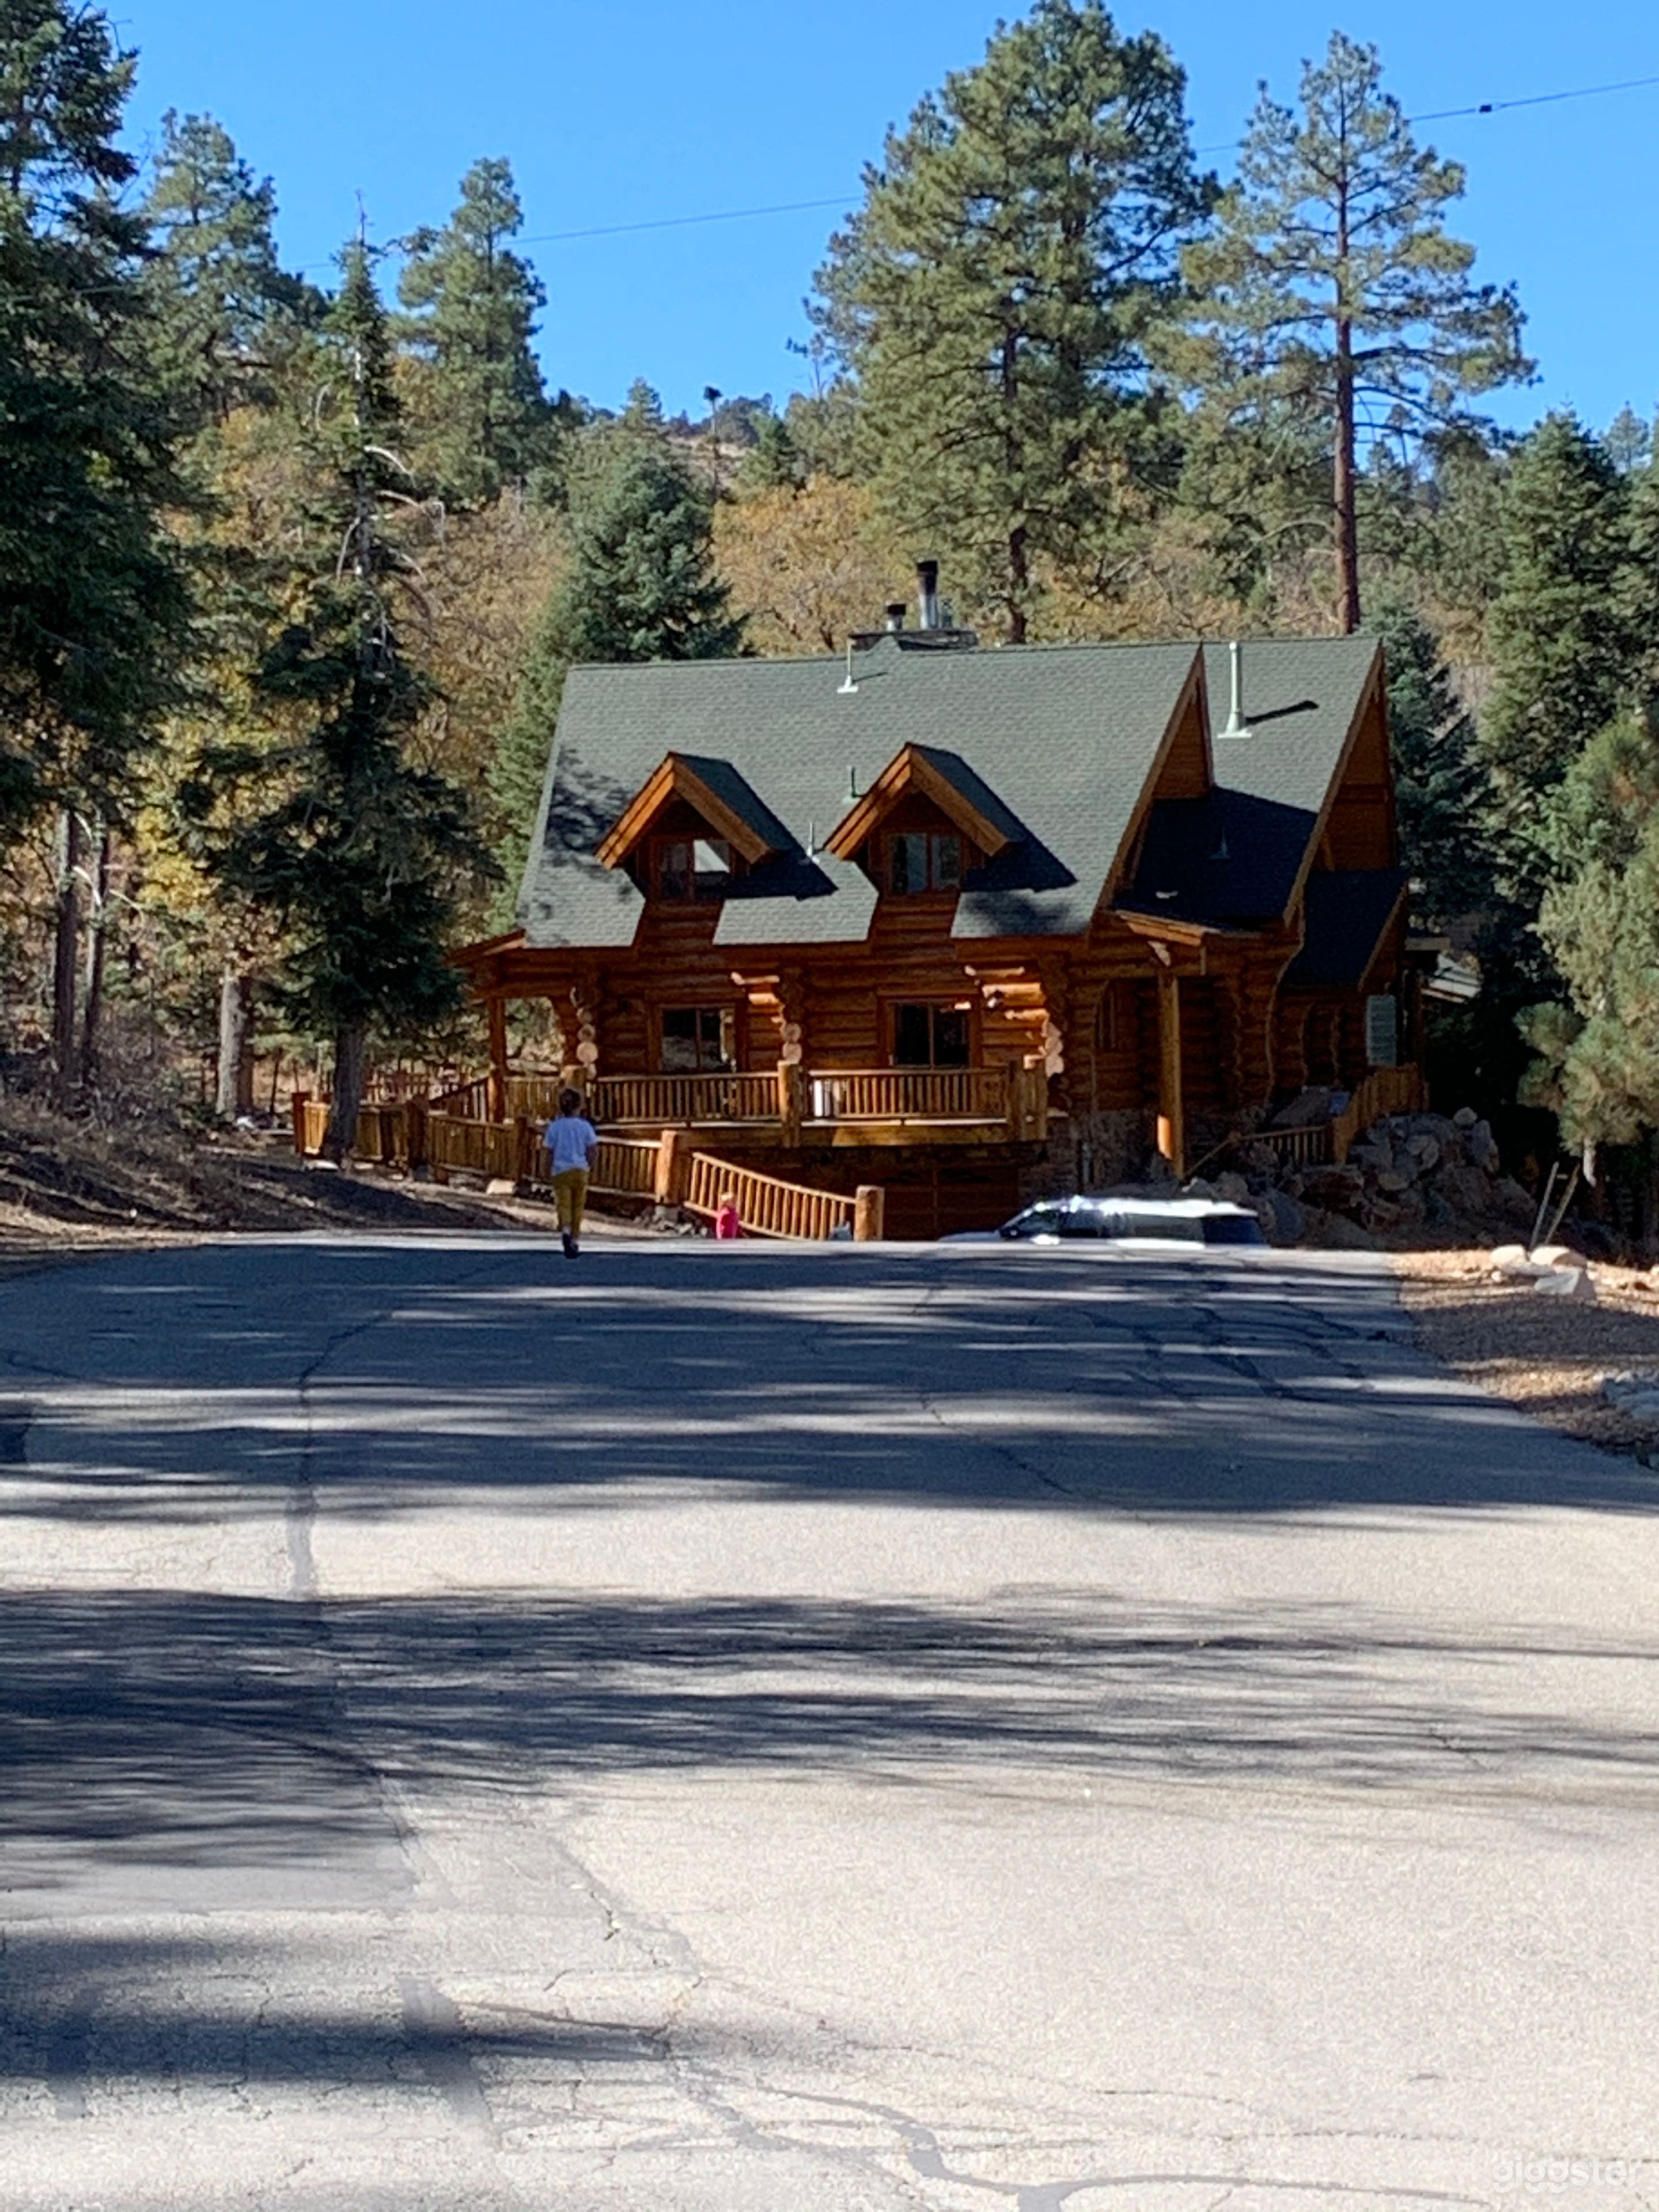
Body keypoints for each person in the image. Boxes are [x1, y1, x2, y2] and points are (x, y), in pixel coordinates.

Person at [544, 1087, 599, 1257]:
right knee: (578, 1205)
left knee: (564, 1203)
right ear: (580, 1106)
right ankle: (575, 1239)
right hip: (580, 1169)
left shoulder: (555, 1127)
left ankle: (566, 1229)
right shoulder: (585, 1127)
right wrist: (589, 1165)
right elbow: (592, 1149)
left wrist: (548, 1168)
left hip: (561, 1170)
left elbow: (549, 1150)